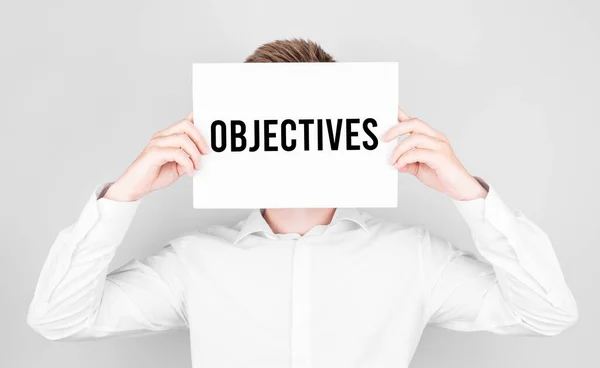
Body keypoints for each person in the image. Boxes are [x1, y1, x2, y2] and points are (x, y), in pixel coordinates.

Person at [27, 39, 578, 368]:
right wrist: (124, 194)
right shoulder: (194, 262)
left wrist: (468, 192)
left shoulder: (413, 258)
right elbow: (57, 318)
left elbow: (547, 312)